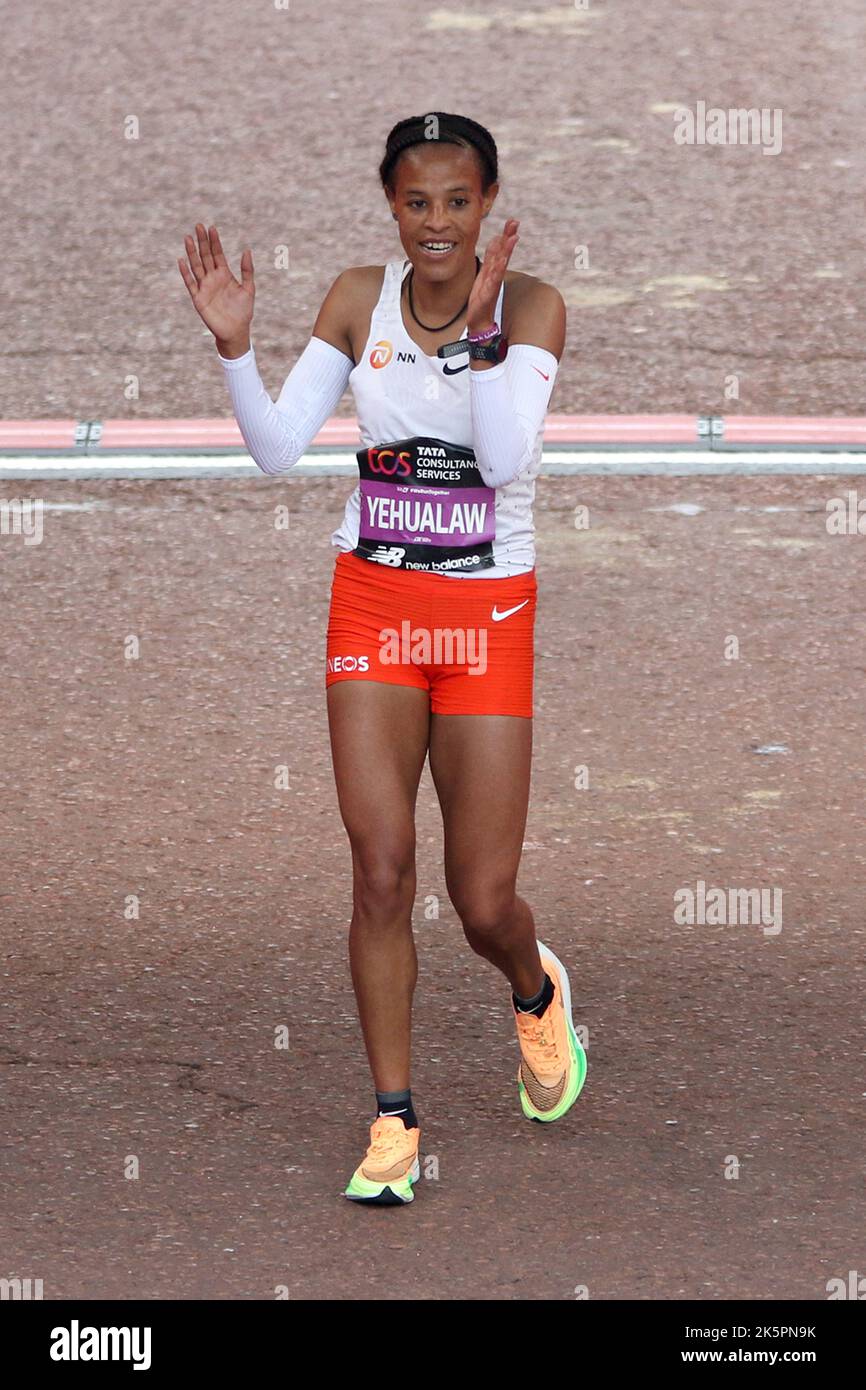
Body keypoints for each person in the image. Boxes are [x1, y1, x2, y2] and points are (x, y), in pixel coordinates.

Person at [178, 112, 587, 1208]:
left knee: (482, 897)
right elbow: (275, 451)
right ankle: (393, 1117)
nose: (437, 223)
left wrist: (487, 333)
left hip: (486, 615)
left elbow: (499, 465)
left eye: (457, 201)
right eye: (417, 202)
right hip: (373, 606)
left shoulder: (533, 305)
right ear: (391, 207)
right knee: (379, 868)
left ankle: (532, 989)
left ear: (487, 201)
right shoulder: (359, 299)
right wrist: (233, 348)